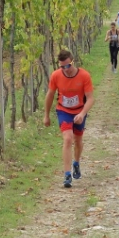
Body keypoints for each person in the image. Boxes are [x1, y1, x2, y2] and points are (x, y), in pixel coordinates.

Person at [43, 50, 95, 188]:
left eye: (68, 66)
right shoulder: (56, 75)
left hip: (79, 111)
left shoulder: (84, 76)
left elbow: (90, 99)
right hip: (64, 111)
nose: (65, 69)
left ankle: (76, 162)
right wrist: (46, 115)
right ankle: (67, 174)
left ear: (73, 61)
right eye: (62, 67)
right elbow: (50, 95)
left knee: (78, 140)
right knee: (67, 138)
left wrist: (82, 114)